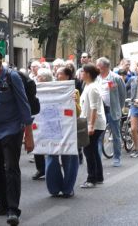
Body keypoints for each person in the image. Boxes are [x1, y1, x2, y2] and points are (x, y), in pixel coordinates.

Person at [0, 48, 33, 226]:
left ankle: (13, 209)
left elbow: (24, 105)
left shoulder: (12, 77)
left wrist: (29, 134)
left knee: (11, 169)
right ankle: (2, 203)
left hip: (11, 130)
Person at [45, 67, 80, 197]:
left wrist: (74, 102)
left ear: (67, 77)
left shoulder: (74, 91)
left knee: (69, 157)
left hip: (68, 128)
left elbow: (77, 113)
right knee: (51, 156)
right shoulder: (49, 90)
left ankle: (68, 188)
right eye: (56, 73)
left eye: (60, 73)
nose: (57, 75)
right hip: (52, 128)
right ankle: (54, 188)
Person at [95, 57, 126, 167]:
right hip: (99, 111)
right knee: (98, 135)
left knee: (116, 135)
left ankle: (117, 157)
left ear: (103, 67)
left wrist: (119, 108)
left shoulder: (116, 78)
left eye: (97, 65)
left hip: (112, 111)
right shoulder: (96, 78)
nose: (96, 67)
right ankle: (97, 158)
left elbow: (122, 95)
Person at [79, 64, 106, 188]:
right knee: (93, 150)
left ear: (88, 74)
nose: (80, 74)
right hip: (91, 122)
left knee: (88, 150)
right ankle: (98, 176)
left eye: (82, 72)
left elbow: (94, 108)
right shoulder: (88, 86)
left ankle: (91, 179)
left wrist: (91, 125)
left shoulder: (93, 88)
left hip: (95, 124)